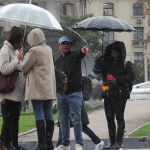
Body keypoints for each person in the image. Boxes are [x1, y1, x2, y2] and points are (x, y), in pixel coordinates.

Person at [94, 41, 135, 149]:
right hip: (108, 94)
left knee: (119, 118)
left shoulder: (126, 63)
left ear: (120, 52)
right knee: (109, 119)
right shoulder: (107, 63)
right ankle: (112, 143)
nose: (113, 52)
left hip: (120, 95)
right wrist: (100, 62)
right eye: (111, 50)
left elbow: (131, 75)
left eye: (116, 50)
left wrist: (118, 79)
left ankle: (119, 142)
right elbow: (95, 74)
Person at [22, 28, 56, 150]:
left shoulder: (34, 50)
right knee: (49, 114)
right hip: (48, 87)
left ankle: (41, 144)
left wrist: (24, 56)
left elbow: (24, 67)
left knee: (39, 114)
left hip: (37, 87)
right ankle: (49, 143)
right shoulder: (48, 49)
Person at [55, 36, 89, 150]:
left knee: (76, 119)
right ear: (59, 46)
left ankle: (79, 144)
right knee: (63, 121)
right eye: (63, 43)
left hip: (74, 93)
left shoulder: (74, 56)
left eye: (67, 43)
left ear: (70, 45)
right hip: (61, 94)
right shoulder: (58, 61)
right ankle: (65, 144)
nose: (65, 45)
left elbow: (80, 53)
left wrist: (83, 50)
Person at [0, 29, 26, 150]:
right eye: (20, 41)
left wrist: (21, 62)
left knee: (15, 120)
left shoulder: (15, 52)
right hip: (8, 92)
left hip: (16, 92)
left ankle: (15, 144)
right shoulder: (4, 51)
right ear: (15, 40)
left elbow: (19, 67)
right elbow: (4, 69)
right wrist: (17, 60)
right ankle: (6, 145)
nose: (21, 44)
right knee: (8, 120)